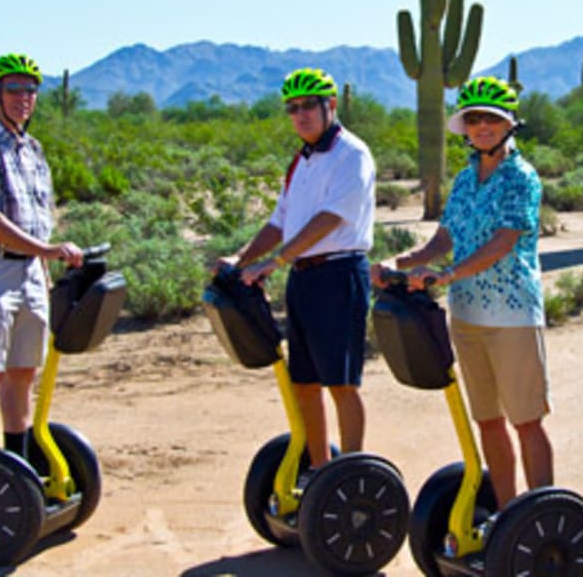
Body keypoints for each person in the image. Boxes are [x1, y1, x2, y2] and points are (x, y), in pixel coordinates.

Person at [371, 76, 552, 510]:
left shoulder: (521, 177)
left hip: (512, 316)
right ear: (466, 128)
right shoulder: (466, 181)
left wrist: (448, 275)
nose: (482, 126)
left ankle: (543, 515)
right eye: (474, 119)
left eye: (492, 117)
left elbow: (505, 240)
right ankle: (510, 517)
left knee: (526, 421)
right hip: (467, 315)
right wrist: (402, 263)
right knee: (487, 421)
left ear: (509, 123)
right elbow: (443, 239)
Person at [214, 67, 376, 473]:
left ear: (331, 106)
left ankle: (350, 471)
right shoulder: (299, 163)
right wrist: (242, 258)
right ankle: (321, 469)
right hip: (303, 279)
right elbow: (278, 222)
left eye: (308, 106)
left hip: (339, 274)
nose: (300, 115)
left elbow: (330, 219)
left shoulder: (351, 155)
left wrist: (276, 262)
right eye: (293, 108)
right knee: (303, 381)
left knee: (341, 383)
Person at [0, 53, 83, 459]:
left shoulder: (32, 149)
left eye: (30, 89)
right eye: (14, 89)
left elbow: (40, 214)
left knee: (22, 373)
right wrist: (43, 249)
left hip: (28, 271)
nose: (24, 97)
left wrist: (40, 263)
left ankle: (18, 466)